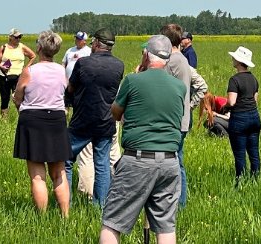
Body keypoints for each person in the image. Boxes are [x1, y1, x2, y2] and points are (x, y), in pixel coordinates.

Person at [99, 35, 186, 244]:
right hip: (169, 162)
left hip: (137, 159)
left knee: (112, 221)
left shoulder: (132, 80)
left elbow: (116, 113)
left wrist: (138, 75)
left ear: (147, 54)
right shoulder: (179, 86)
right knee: (165, 225)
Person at [13, 31, 72, 216]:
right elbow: (67, 92)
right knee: (59, 173)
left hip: (32, 121)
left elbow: (17, 98)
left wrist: (20, 105)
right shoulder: (63, 71)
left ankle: (42, 217)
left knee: (37, 176)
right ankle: (65, 216)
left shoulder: (29, 71)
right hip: (56, 120)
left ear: (39, 48)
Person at [65, 30, 123, 206]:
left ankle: (65, 204)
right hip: (106, 121)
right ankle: (100, 206)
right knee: (102, 164)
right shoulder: (119, 65)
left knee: (65, 159)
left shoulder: (83, 63)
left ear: (97, 43)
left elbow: (71, 89)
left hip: (82, 120)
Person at [153, 23, 208, 208]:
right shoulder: (182, 59)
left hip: (173, 120)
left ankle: (177, 202)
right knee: (178, 161)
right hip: (181, 118)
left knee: (174, 163)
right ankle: (179, 201)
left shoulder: (172, 61)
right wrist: (190, 106)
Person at [224, 46, 261, 184]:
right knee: (254, 152)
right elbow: (255, 99)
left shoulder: (234, 80)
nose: (232, 59)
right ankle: (256, 180)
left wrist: (224, 107)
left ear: (239, 61)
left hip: (239, 118)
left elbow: (232, 102)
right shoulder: (254, 79)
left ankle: (240, 182)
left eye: (234, 57)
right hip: (254, 117)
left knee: (240, 155)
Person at [0, 28, 36, 120]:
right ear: (10, 37)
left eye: (20, 37)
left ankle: (22, 118)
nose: (18, 39)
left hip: (18, 77)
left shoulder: (22, 47)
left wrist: (26, 68)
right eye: (16, 37)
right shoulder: (3, 48)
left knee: (18, 99)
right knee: (5, 99)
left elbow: (33, 56)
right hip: (4, 76)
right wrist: (2, 67)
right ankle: (3, 121)